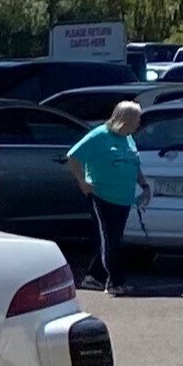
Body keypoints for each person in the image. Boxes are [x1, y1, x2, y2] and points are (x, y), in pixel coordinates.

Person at [65, 100, 150, 297]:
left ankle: (94, 277)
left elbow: (134, 163)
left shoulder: (128, 138)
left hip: (124, 199)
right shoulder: (100, 135)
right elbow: (73, 156)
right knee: (109, 241)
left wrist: (144, 186)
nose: (139, 124)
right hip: (102, 196)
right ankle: (115, 282)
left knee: (114, 240)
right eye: (136, 120)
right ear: (125, 120)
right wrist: (82, 182)